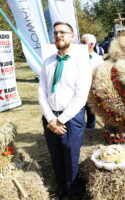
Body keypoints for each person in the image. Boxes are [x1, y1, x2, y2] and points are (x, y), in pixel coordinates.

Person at [38, 22, 92, 199]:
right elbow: (42, 92)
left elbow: (81, 95)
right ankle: (61, 190)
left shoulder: (81, 62)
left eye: (63, 32)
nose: (58, 35)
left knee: (70, 156)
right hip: (50, 116)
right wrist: (51, 119)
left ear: (72, 36)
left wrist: (61, 120)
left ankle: (73, 192)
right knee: (56, 156)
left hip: (71, 117)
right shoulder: (47, 61)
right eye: (55, 33)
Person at [81, 33, 104, 129]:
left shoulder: (98, 59)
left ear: (92, 44)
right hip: (79, 88)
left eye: (84, 42)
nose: (82, 45)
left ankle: (91, 128)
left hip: (92, 89)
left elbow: (101, 74)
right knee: (79, 111)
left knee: (91, 110)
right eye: (81, 42)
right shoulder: (76, 57)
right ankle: (80, 129)